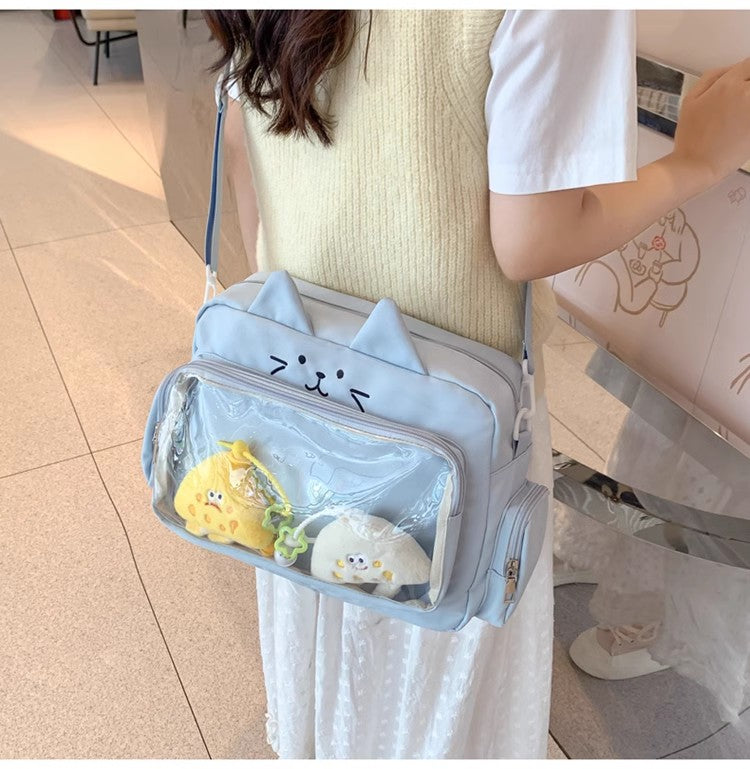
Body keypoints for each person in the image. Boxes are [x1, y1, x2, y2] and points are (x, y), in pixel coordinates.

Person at [202, 8, 750, 759]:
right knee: (431, 662)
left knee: (319, 586)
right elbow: (532, 238)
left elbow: (244, 145)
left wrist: (303, 324)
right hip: (450, 421)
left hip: (298, 382)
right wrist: (696, 162)